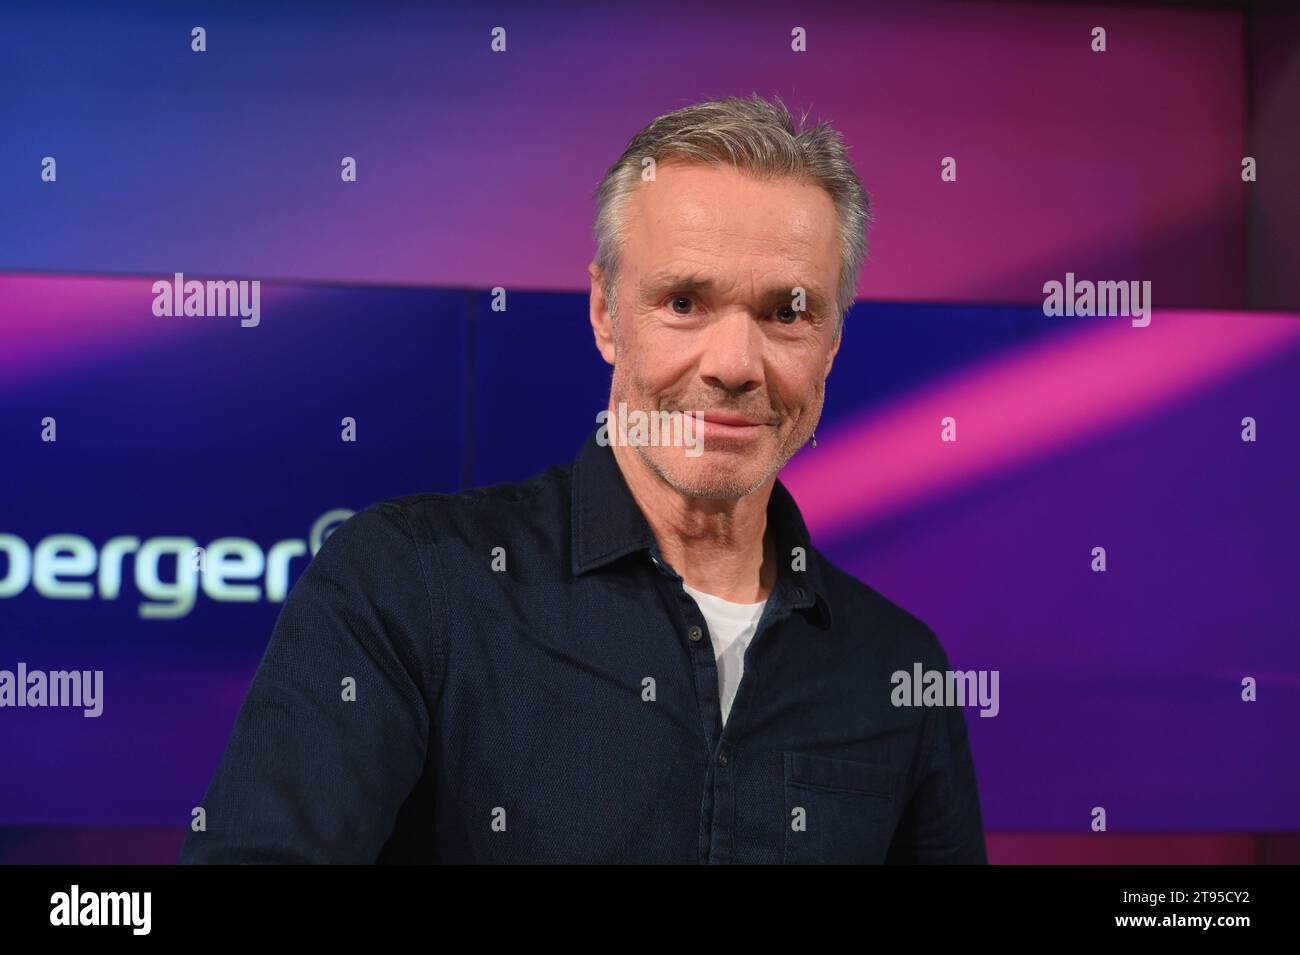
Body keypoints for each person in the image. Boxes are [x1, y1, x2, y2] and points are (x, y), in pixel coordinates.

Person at [181, 93, 987, 864]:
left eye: (787, 312)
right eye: (683, 301)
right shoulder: (407, 582)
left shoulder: (896, 667)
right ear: (605, 311)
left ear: (833, 342)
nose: (736, 365)